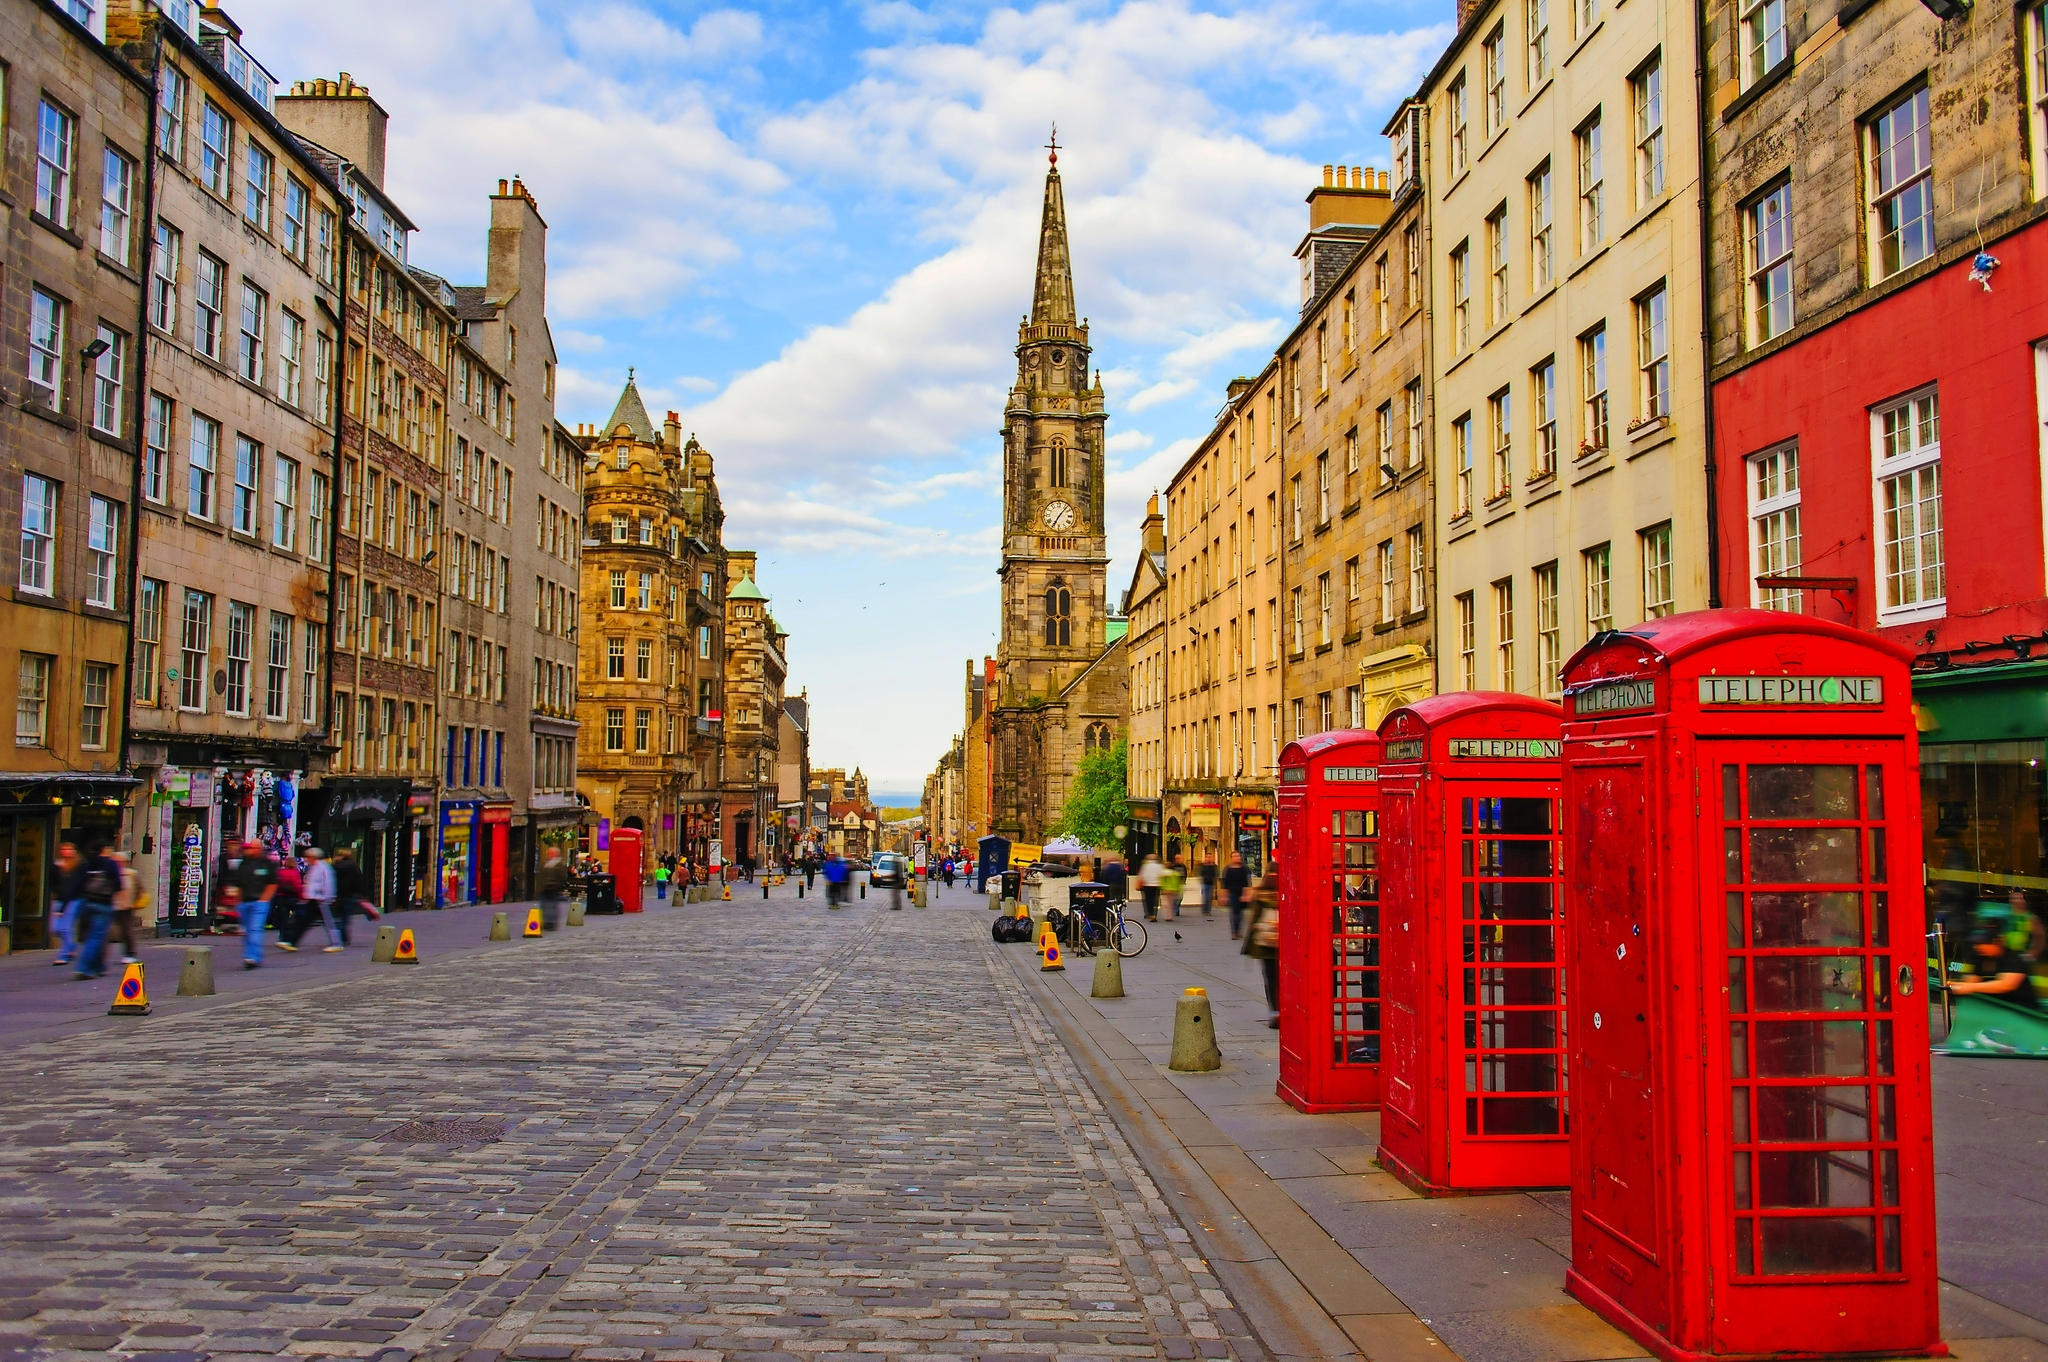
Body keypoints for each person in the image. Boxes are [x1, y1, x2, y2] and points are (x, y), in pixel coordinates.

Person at [1949, 921, 2042, 1007]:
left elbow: (2006, 985)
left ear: (1996, 942)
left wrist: (1970, 987)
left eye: (1982, 943)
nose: (1977, 947)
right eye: (1976, 943)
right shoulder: (1978, 957)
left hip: (2021, 1010)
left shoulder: (2013, 959)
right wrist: (1955, 985)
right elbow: (1971, 981)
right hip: (1992, 1008)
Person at [68, 839, 124, 981]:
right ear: (103, 849)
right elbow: (118, 884)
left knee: (92, 935)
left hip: (87, 903)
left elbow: (77, 884)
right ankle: (85, 968)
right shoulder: (110, 864)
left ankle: (98, 966)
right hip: (103, 904)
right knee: (96, 937)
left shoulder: (87, 864)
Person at [1241, 866, 1281, 1028]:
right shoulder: (1288, 893)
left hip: (1265, 945)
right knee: (1284, 980)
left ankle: (1275, 1012)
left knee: (1270, 979)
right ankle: (1287, 1010)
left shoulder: (1259, 895)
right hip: (1285, 945)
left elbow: (1253, 920)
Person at [234, 840, 279, 969]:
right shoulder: (244, 864)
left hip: (259, 903)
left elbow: (273, 883)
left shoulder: (267, 864)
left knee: (254, 929)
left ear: (260, 848)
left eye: (254, 848)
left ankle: (252, 957)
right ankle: (251, 955)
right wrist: (238, 902)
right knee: (247, 931)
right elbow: (239, 884)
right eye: (250, 847)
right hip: (244, 903)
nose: (252, 850)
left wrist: (264, 900)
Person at [301, 849, 342, 951]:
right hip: (315, 898)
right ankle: (336, 942)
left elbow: (328, 883)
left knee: (329, 921)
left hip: (322, 898)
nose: (307, 859)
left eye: (309, 857)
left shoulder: (323, 867)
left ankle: (337, 943)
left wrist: (327, 897)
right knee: (325, 921)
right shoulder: (314, 867)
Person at [331, 847, 369, 947]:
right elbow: (360, 881)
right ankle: (344, 939)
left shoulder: (335, 866)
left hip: (338, 896)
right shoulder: (354, 866)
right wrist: (364, 894)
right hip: (351, 896)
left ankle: (339, 937)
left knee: (338, 917)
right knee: (345, 918)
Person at [537, 846, 570, 930]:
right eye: (548, 853)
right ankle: (544, 921)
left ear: (556, 854)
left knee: (551, 905)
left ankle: (551, 922)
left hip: (553, 888)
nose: (549, 854)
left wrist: (557, 886)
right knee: (543, 905)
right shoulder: (544, 862)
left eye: (551, 853)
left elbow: (562, 877)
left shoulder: (560, 864)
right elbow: (540, 875)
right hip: (544, 888)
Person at [1223, 852, 1251, 939]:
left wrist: (1246, 895)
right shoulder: (1228, 869)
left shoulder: (1244, 869)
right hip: (1232, 894)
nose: (1237, 858)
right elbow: (1224, 884)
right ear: (1231, 858)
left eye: (1238, 856)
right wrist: (1223, 896)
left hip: (1242, 893)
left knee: (1240, 914)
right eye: (1234, 856)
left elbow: (1247, 883)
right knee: (1234, 913)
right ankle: (1234, 932)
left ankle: (1238, 930)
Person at [1136, 854, 1163, 922]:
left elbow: (1142, 875)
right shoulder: (1159, 866)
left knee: (1148, 900)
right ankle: (1154, 914)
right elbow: (1162, 874)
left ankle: (1149, 913)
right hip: (1156, 885)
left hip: (1147, 885)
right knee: (1155, 900)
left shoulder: (1145, 866)